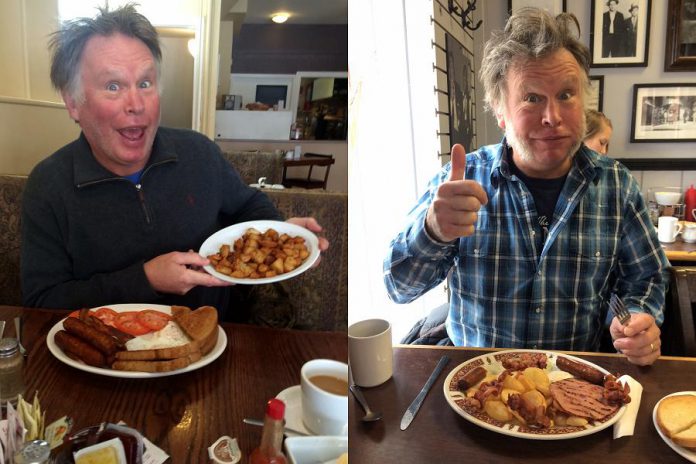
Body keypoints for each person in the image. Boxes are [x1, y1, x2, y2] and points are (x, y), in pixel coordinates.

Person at [384, 8, 668, 366]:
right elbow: (398, 286)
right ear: (500, 111)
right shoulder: (460, 181)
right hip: (474, 386)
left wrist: (635, 319)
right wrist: (433, 231)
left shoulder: (618, 187)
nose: (553, 117)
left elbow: (647, 275)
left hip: (576, 388)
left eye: (566, 95)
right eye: (532, 98)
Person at [20, 4, 329, 321]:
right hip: (109, 359)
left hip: (216, 341)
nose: (136, 105)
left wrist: (278, 233)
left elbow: (249, 205)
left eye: (144, 83)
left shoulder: (199, 153)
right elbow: (41, 300)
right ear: (73, 102)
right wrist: (145, 280)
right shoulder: (48, 186)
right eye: (113, 86)